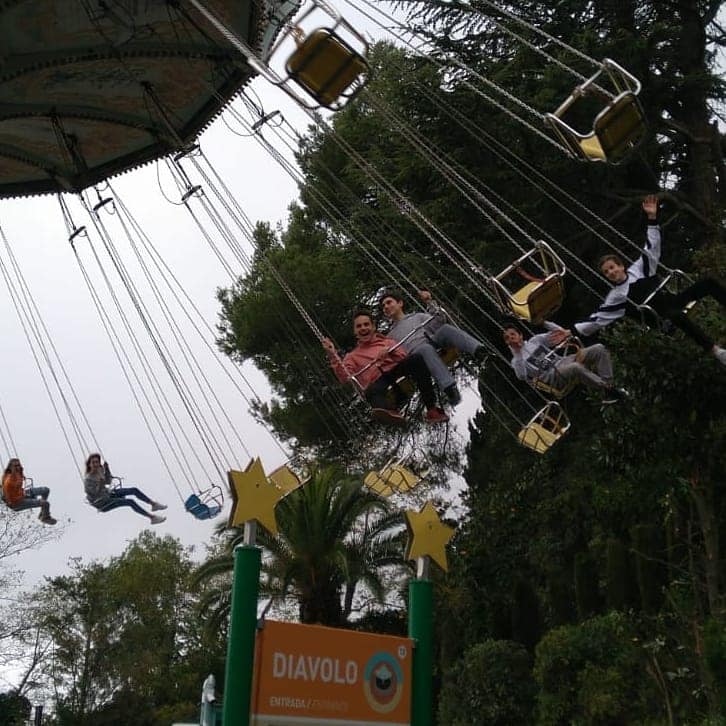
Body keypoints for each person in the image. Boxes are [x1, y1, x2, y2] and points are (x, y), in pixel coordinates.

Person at [558, 195, 726, 366]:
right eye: (607, 272)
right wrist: (571, 331)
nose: (611, 272)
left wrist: (652, 218)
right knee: (676, 316)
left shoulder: (640, 269)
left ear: (621, 266)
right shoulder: (616, 296)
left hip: (672, 301)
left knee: (708, 283)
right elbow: (597, 319)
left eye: (612, 267)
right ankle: (716, 351)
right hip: (661, 319)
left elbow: (652, 246)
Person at [322, 308, 449, 424]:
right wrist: (332, 355)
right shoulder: (352, 356)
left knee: (416, 359)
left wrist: (389, 352)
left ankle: (431, 409)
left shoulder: (386, 342)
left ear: (373, 327)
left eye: (366, 324)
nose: (363, 328)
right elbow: (345, 377)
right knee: (370, 391)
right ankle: (388, 412)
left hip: (396, 371)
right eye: (359, 326)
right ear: (355, 331)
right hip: (378, 381)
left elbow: (403, 356)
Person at [380, 289, 487, 407]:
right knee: (425, 349)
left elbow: (438, 322)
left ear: (400, 303)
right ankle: (449, 388)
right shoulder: (390, 336)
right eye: (383, 306)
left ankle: (479, 351)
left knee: (445, 329)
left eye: (389, 302)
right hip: (417, 356)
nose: (386, 307)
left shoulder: (417, 316)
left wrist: (429, 302)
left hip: (431, 341)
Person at [503, 322, 628, 402]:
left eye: (513, 334)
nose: (511, 338)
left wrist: (544, 322)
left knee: (598, 348)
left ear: (520, 335)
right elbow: (522, 376)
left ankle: (608, 385)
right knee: (575, 367)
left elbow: (559, 333)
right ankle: (607, 388)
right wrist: (517, 353)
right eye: (507, 338)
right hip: (553, 376)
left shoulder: (535, 341)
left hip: (564, 361)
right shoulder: (516, 361)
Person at [84, 453, 167, 524]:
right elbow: (94, 494)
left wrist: (107, 469)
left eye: (97, 462)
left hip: (108, 494)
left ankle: (153, 504)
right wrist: (100, 484)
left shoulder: (100, 471)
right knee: (130, 502)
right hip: (102, 503)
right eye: (93, 462)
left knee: (134, 490)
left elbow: (108, 481)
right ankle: (152, 518)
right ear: (89, 464)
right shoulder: (88, 479)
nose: (95, 464)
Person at [1, 458, 56, 525]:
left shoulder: (18, 472)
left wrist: (24, 493)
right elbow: (10, 497)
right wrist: (25, 497)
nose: (18, 467)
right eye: (15, 466)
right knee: (45, 503)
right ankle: (45, 518)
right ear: (11, 467)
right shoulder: (9, 481)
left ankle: (42, 513)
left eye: (18, 465)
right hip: (17, 502)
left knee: (45, 490)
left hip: (21, 493)